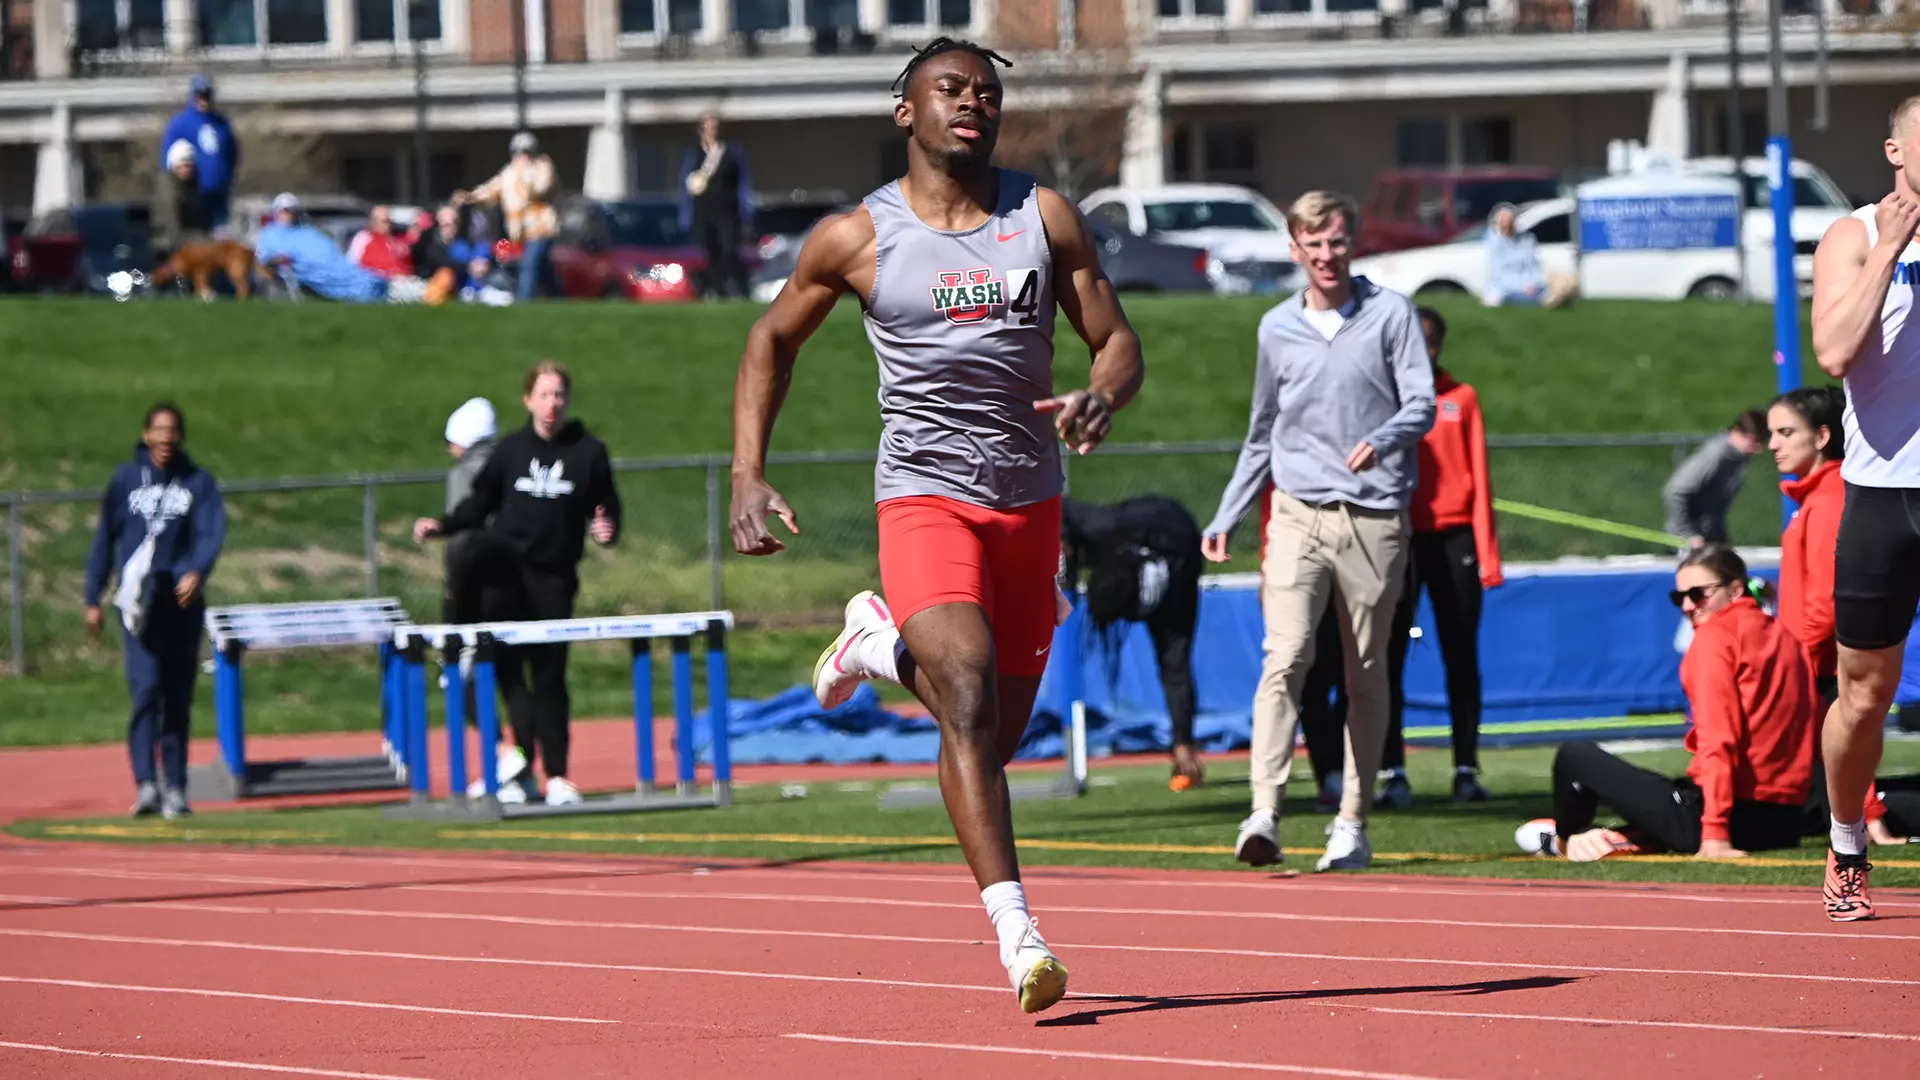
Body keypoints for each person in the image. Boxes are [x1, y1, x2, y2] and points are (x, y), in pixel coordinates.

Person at [727, 38, 1144, 1014]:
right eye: (950, 89)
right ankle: (1019, 933)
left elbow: (1116, 338)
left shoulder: (1041, 217)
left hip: (1029, 502)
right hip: (923, 494)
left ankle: (872, 644)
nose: (973, 103)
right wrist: (748, 473)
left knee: (988, 734)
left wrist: (1102, 394)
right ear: (905, 112)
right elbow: (768, 340)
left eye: (987, 93)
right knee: (961, 691)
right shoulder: (856, 238)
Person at [1201, 190, 1436, 873]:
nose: (1327, 255)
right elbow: (1263, 430)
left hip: (1374, 517)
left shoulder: (1392, 315)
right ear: (1295, 250)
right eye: (1314, 244)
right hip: (1298, 512)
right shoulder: (1276, 328)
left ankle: (1351, 820)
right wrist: (1228, 513)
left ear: (1351, 243)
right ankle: (1264, 812)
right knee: (1287, 656)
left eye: (1337, 241)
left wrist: (1384, 438)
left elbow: (1422, 402)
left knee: (1367, 673)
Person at [1516, 545, 1815, 862]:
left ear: (1736, 589)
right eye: (1679, 597)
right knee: (1673, 791)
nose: (1687, 606)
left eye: (1698, 594)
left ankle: (1565, 841)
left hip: (1720, 820)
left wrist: (1715, 834)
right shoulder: (1787, 638)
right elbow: (1821, 730)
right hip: (1786, 823)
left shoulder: (1716, 638)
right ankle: (1623, 836)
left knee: (1574, 756)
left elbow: (1718, 740)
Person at [1806, 94, 1920, 920]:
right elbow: (1837, 350)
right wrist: (1890, 252)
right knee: (1863, 694)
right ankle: (1847, 844)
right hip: (1884, 495)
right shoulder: (1852, 235)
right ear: (1894, 151)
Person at [414, 362, 620, 807]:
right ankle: (520, 771)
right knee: (511, 678)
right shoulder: (511, 451)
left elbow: (607, 506)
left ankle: (559, 777)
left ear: (567, 399)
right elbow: (478, 503)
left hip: (555, 579)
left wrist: (607, 529)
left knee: (549, 679)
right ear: (528, 400)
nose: (552, 404)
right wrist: (442, 526)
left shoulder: (588, 453)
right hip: (508, 579)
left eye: (559, 395)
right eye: (544, 395)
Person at [1770, 386, 1920, 847]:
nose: (1774, 444)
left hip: (1823, 664)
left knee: (1846, 762)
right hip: (1814, 662)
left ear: (1821, 436)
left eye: (1786, 432)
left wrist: (1795, 657)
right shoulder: (1814, 495)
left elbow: (1824, 599)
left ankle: (1871, 822)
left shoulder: (1831, 494)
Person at [1378, 307, 1504, 807]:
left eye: (1433, 342)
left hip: (1455, 542)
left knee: (1460, 654)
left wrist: (1487, 554)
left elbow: (1479, 475)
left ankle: (1466, 769)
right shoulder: (1386, 397)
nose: (1425, 351)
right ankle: (1392, 771)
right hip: (1401, 539)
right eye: (1417, 341)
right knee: (1389, 653)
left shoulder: (1461, 398)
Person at [82, 404, 227, 820]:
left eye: (173, 431)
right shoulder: (125, 481)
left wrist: (197, 570)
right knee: (146, 691)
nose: (166, 439)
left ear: (181, 436)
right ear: (146, 435)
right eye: (158, 431)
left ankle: (176, 787)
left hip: (180, 607)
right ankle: (146, 784)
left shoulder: (197, 482)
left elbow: (210, 533)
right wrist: (92, 597)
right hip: (139, 608)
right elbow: (103, 541)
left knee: (177, 697)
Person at [1059, 495, 1204, 788]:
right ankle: (1183, 746)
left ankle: (1183, 747)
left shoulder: (1175, 594)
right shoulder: (1102, 530)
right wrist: (1060, 541)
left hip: (1180, 539)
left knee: (1174, 659)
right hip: (1153, 529)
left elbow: (1176, 668)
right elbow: (1057, 505)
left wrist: (1182, 743)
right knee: (1174, 661)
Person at [255, 194, 454, 306]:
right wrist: (280, 261)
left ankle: (430, 292)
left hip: (353, 270)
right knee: (376, 285)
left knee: (379, 282)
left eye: (291, 210)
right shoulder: (271, 235)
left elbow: (336, 254)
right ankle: (429, 294)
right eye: (284, 210)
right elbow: (265, 260)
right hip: (323, 273)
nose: (288, 214)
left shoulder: (307, 232)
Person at [457, 132, 558, 301]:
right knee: (543, 269)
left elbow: (542, 188)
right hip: (520, 232)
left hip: (541, 228)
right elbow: (490, 189)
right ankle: (558, 298)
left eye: (526, 151)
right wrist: (469, 196)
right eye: (518, 151)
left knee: (529, 264)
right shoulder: (508, 174)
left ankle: (523, 302)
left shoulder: (542, 167)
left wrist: (525, 175)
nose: (522, 155)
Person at [1662, 409, 1766, 548]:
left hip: (1709, 539)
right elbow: (1676, 491)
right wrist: (1687, 535)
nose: (1758, 449)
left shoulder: (1736, 458)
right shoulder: (1715, 455)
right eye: (1754, 441)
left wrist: (1719, 536)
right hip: (1689, 545)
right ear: (1736, 431)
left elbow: (1713, 506)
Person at [678, 114, 754, 301]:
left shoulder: (731, 152)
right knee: (709, 252)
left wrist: (746, 211)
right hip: (703, 211)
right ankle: (716, 290)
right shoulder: (694, 154)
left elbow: (744, 182)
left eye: (716, 126)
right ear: (701, 129)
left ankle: (734, 288)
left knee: (728, 250)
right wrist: (685, 215)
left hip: (727, 211)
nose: (713, 129)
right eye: (709, 126)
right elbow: (684, 184)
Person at [158, 75, 238, 236]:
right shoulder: (180, 124)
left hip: (219, 194)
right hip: (194, 195)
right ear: (193, 96)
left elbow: (232, 152)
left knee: (220, 236)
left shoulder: (221, 122)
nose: (203, 100)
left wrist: (227, 178)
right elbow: (168, 160)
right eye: (200, 96)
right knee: (197, 236)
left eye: (207, 95)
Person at [1480, 203, 1574, 309]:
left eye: (1508, 224)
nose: (1506, 228)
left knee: (1554, 284)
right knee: (1505, 296)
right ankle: (1547, 300)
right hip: (1507, 288)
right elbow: (1497, 273)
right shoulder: (1494, 243)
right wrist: (1522, 286)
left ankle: (1554, 297)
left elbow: (1534, 265)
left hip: (1530, 285)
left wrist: (1532, 284)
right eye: (1503, 224)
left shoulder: (1527, 239)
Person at [347, 206, 421, 280]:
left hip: (400, 282)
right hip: (374, 281)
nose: (388, 225)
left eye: (389, 221)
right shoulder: (363, 238)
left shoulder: (396, 240)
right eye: (384, 221)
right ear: (374, 222)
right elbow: (352, 263)